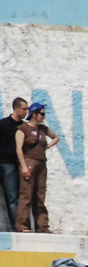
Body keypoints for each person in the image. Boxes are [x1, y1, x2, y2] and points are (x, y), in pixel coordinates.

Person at [14, 102, 59, 233]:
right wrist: (23, 167)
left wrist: (47, 146)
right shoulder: (23, 129)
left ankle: (42, 226)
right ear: (34, 114)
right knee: (26, 194)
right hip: (29, 161)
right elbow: (19, 149)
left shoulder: (43, 129)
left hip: (41, 163)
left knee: (40, 195)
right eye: (42, 114)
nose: (43, 116)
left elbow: (56, 137)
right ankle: (22, 224)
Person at [0, 97, 29, 229]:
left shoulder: (24, 127)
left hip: (17, 165)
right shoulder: (3, 124)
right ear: (16, 108)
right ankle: (17, 227)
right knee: (12, 197)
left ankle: (18, 226)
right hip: (6, 164)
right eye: (24, 109)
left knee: (17, 197)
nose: (26, 112)